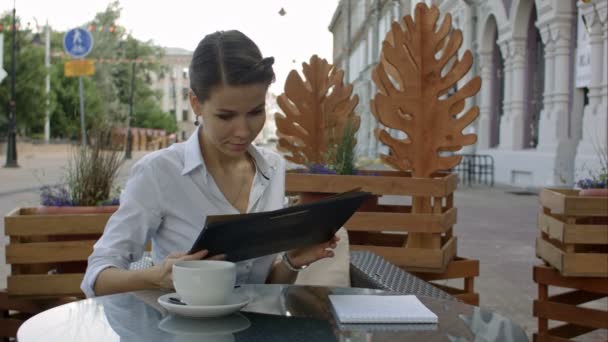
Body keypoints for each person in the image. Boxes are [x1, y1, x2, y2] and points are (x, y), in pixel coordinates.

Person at [81, 30, 339, 298]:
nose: (243, 131)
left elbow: (259, 288)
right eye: (226, 116)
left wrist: (292, 261)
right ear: (196, 103)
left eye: (255, 112)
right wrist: (159, 277)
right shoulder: (159, 172)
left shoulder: (273, 168)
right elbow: (96, 279)